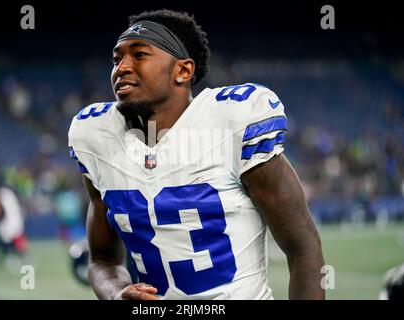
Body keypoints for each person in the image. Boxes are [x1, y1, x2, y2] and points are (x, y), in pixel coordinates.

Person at [68, 9, 324, 300]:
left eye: (139, 55)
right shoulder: (97, 136)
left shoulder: (232, 121)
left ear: (183, 71)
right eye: (117, 59)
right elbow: (102, 259)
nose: (121, 68)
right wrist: (117, 293)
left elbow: (303, 247)